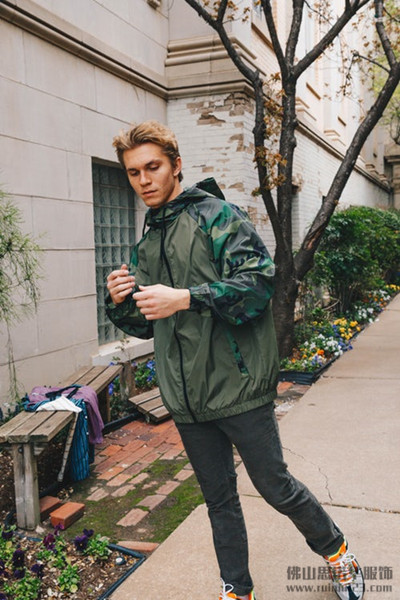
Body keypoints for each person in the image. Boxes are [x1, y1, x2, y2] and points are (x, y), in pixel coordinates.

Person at [106, 120, 364, 600]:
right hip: (187, 398)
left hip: (238, 387)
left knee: (275, 486)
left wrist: (186, 297)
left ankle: (337, 552)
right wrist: (120, 300)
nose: (143, 180)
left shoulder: (217, 216)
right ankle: (237, 589)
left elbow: (259, 286)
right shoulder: (148, 239)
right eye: (133, 172)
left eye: (152, 167)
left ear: (176, 165)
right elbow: (145, 323)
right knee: (219, 501)